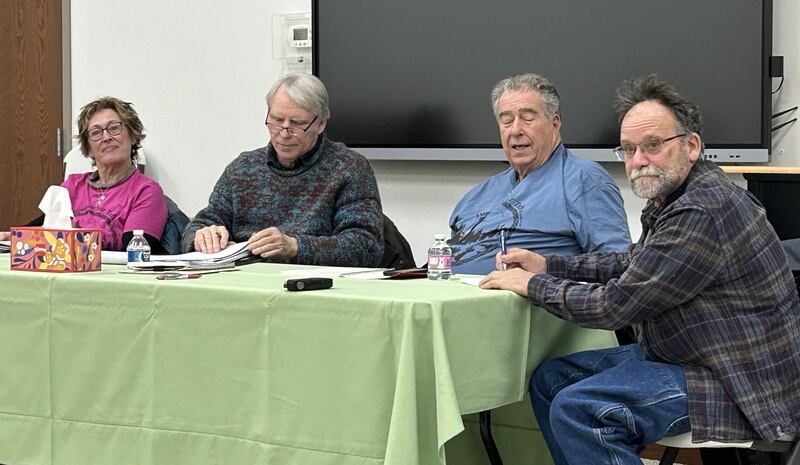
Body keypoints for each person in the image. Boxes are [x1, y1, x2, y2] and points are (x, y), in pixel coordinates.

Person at [479, 75, 800, 465]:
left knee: (580, 409)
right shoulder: (678, 195)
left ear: (691, 145)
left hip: (736, 382)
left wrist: (534, 283)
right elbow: (634, 262)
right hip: (689, 358)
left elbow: (615, 306)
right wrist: (551, 263)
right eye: (629, 149)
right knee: (551, 380)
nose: (638, 161)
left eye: (652, 146)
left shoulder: (702, 210)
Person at [182, 73, 383, 267]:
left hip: (313, 287)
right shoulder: (243, 168)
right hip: (243, 282)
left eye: (297, 123)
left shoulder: (349, 168)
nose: (284, 133)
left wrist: (295, 247)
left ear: (321, 123)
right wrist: (202, 237)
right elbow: (200, 224)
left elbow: (365, 246)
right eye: (277, 120)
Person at [448, 73, 631, 275]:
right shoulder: (475, 196)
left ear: (555, 124)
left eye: (527, 118)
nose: (515, 130)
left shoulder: (585, 180)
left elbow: (619, 265)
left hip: (521, 303)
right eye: (506, 121)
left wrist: (547, 267)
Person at [0, 97, 168, 252]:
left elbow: (135, 253)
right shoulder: (72, 186)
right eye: (95, 132)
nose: (106, 137)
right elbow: (45, 227)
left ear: (132, 135)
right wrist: (13, 236)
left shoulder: (146, 191)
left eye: (114, 128)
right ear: (88, 148)